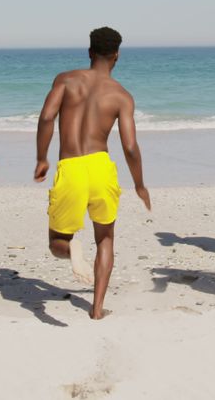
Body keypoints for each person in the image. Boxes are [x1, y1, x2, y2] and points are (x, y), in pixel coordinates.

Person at [34, 27, 151, 320]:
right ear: (117, 56)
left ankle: (72, 247)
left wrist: (41, 158)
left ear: (89, 52)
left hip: (70, 165)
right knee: (105, 239)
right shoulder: (122, 95)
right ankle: (96, 310)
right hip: (101, 167)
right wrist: (139, 184)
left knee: (56, 242)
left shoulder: (65, 80)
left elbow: (47, 116)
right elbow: (130, 146)